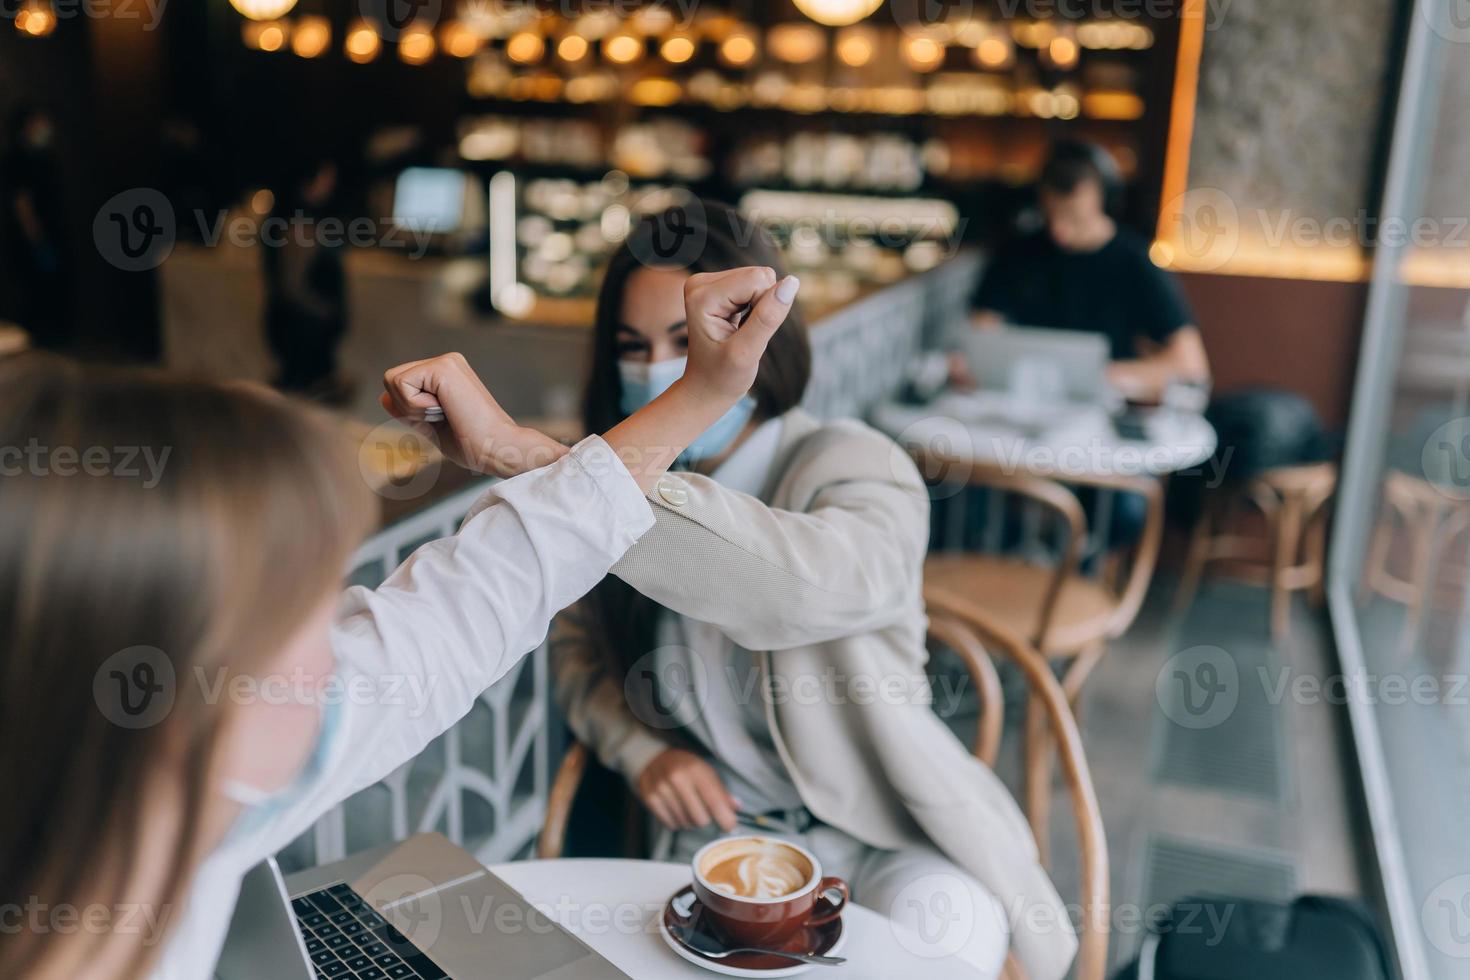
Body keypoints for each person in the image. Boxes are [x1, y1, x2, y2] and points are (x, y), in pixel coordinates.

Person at [0, 263, 798, 979]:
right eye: (303, 617)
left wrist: (696, 397)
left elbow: (467, 603)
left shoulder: (186, 797)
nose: (340, 652)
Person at [550, 201, 1076, 980]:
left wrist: (597, 480)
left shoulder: (860, 466)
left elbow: (790, 593)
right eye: (633, 347)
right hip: (718, 843)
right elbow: (575, 647)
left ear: (753, 338)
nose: (655, 369)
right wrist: (642, 751)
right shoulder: (629, 480)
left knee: (951, 929)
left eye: (687, 340)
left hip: (877, 830)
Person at [971, 139, 1210, 401]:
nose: (1059, 230)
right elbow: (981, 334)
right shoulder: (1017, 253)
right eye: (1051, 215)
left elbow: (1191, 365)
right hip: (1023, 405)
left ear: (1105, 200)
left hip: (1105, 413)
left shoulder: (1135, 262)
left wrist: (1109, 376)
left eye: (1074, 217)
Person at [262, 159, 350, 401]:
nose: (331, 185)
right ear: (306, 183)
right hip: (302, 332)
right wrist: (327, 313)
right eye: (326, 179)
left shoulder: (294, 220)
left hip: (299, 329)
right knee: (302, 399)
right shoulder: (298, 226)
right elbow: (292, 287)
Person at [0, 106, 71, 348]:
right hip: (31, 243)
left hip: (51, 236)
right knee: (35, 299)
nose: (44, 128)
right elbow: (22, 204)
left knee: (52, 299)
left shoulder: (45, 159)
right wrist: (37, 242)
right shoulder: (17, 160)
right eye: (37, 123)